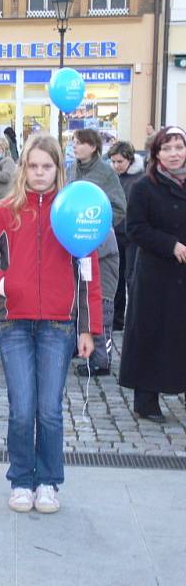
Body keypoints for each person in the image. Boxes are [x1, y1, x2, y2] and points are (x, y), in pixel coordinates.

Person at [0, 133, 102, 514]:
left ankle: (48, 481)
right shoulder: (5, 211)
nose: (40, 173)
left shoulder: (73, 211)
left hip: (59, 326)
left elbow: (89, 272)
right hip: (14, 323)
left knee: (48, 409)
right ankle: (21, 480)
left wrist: (87, 328)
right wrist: (2, 283)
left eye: (48, 166)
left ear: (59, 169)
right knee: (21, 408)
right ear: (23, 167)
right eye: (33, 166)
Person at [119, 126, 186, 422]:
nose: (174, 153)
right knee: (152, 334)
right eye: (167, 148)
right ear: (156, 153)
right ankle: (146, 401)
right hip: (155, 275)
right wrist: (169, 244)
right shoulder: (144, 187)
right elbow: (135, 228)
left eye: (179, 147)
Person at [68, 129, 125, 377]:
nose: (75, 146)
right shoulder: (71, 170)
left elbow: (118, 207)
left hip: (101, 250)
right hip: (73, 247)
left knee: (101, 304)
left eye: (79, 143)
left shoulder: (105, 173)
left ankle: (101, 359)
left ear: (92, 146)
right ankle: (78, 347)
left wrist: (95, 227)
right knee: (78, 302)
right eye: (74, 142)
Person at [107, 141, 145, 330]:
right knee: (117, 280)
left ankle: (134, 320)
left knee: (131, 278)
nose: (116, 166)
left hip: (133, 237)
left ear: (129, 160)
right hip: (116, 234)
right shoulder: (114, 177)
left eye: (119, 162)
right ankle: (117, 320)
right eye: (113, 162)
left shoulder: (140, 179)